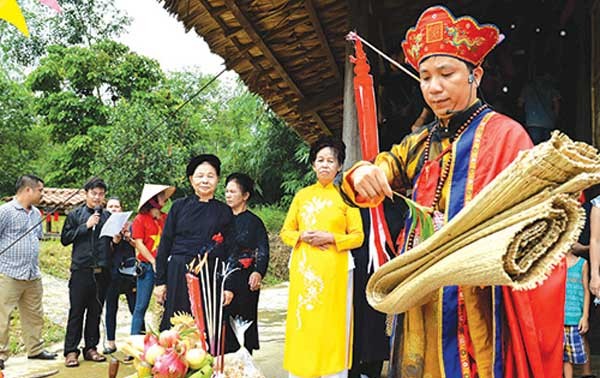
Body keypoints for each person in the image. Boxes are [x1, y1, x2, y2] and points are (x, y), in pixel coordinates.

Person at [339, 6, 565, 377]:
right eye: (425, 76)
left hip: (478, 300)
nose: (434, 87)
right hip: (423, 294)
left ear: (475, 75)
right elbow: (382, 169)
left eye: (446, 74)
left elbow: (537, 222)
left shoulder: (507, 136)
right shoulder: (419, 143)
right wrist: (363, 173)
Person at [281, 136, 364, 378]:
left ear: (339, 166)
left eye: (331, 160)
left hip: (336, 270)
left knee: (332, 324)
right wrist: (301, 236)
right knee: (304, 323)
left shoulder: (347, 198)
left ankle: (332, 373)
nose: (325, 165)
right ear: (312, 165)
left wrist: (331, 238)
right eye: (320, 160)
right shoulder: (302, 196)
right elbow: (286, 232)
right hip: (305, 270)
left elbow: (358, 237)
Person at [153, 154, 236, 348]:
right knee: (177, 323)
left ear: (217, 180)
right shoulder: (178, 207)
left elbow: (232, 250)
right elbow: (164, 245)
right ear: (191, 180)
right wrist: (160, 282)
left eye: (210, 176)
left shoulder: (224, 211)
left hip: (211, 276)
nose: (205, 180)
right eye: (200, 176)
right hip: (178, 272)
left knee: (209, 323)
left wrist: (229, 285)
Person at [0, 175, 57, 370]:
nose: (43, 194)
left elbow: (37, 237)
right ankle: (0, 354)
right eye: (40, 190)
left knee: (34, 314)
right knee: (2, 316)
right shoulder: (5, 212)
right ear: (28, 190)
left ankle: (35, 349)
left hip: (32, 273)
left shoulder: (35, 214)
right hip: (8, 272)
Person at [61, 177, 111, 367]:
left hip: (101, 271)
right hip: (81, 270)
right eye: (94, 193)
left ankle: (91, 347)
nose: (98, 198)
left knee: (95, 311)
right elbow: (65, 239)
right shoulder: (75, 215)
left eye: (101, 194)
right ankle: (71, 351)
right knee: (76, 311)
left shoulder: (107, 216)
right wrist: (86, 226)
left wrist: (115, 239)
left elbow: (110, 244)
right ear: (86, 194)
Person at [224, 173, 269, 353]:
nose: (228, 195)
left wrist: (258, 272)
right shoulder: (221, 218)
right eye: (226, 191)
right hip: (223, 278)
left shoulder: (254, 222)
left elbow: (263, 249)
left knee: (245, 322)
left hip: (246, 280)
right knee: (223, 326)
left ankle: (246, 363)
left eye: (233, 191)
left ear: (245, 195)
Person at [130, 184, 174, 336]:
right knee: (141, 305)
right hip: (147, 266)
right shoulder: (140, 219)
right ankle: (134, 342)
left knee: (166, 304)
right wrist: (153, 261)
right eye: (161, 196)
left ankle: (165, 340)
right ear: (153, 200)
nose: (164, 198)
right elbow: (139, 243)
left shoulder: (166, 218)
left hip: (165, 266)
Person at [103, 197, 136, 355]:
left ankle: (138, 341)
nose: (114, 209)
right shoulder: (103, 228)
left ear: (122, 210)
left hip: (130, 273)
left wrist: (128, 237)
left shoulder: (131, 225)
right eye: (110, 206)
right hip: (111, 273)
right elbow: (102, 253)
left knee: (135, 308)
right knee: (111, 307)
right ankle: (110, 342)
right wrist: (114, 242)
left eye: (117, 206)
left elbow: (139, 246)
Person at [563, 248, 590, 378]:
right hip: (557, 318)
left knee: (571, 356)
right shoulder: (554, 264)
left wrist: (585, 316)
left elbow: (586, 290)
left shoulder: (582, 263)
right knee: (562, 357)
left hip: (574, 318)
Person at [517, 69, 561, 144]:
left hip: (532, 122)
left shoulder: (528, 87)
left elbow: (520, 104)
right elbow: (557, 104)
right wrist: (555, 118)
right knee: (548, 150)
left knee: (534, 149)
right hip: (548, 122)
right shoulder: (550, 87)